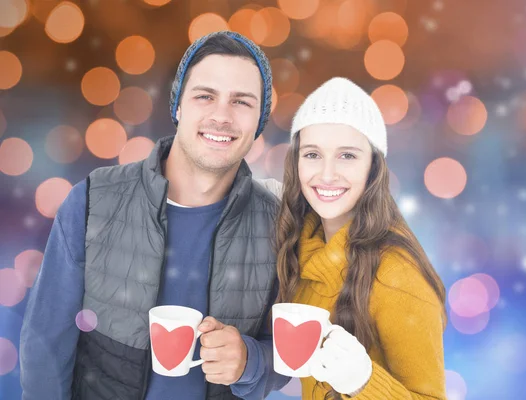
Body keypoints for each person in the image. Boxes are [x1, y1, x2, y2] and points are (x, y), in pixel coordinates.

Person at [20, 31, 289, 400]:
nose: (221, 116)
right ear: (178, 105)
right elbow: (45, 346)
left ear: (259, 120)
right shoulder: (93, 201)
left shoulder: (280, 225)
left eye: (242, 102)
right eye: (205, 96)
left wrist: (252, 361)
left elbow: (292, 352)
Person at [272, 77, 448, 399]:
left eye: (347, 156)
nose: (326, 174)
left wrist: (363, 383)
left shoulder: (396, 274)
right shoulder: (299, 249)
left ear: (373, 167)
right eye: (312, 154)